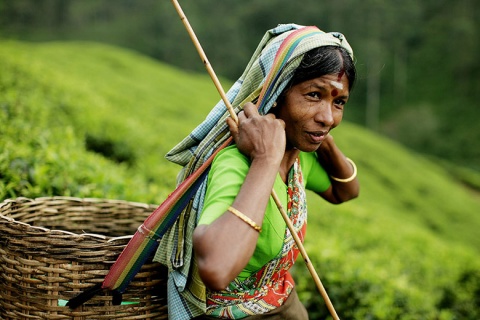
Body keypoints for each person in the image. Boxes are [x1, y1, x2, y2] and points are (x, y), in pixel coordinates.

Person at [154, 23, 359, 319]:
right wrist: (265, 159)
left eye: (338, 102)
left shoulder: (298, 153)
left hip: (285, 302)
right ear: (277, 92)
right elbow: (216, 268)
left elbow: (345, 192)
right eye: (314, 95)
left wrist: (326, 143)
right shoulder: (235, 162)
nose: (328, 116)